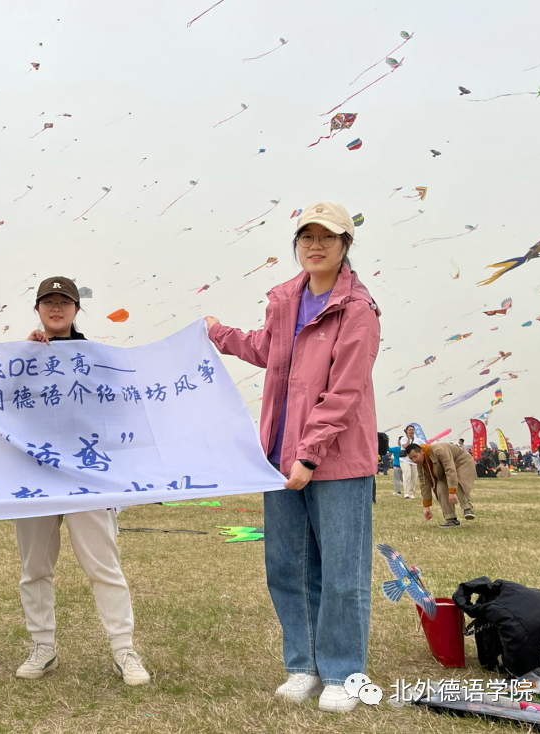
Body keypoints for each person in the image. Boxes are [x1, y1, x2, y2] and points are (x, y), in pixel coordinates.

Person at [206, 202, 380, 713]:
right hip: (279, 457)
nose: (315, 246)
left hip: (335, 461)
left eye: (327, 237)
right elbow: (267, 349)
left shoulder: (358, 310)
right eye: (307, 237)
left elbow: (345, 392)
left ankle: (343, 672)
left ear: (346, 244)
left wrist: (309, 455)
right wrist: (216, 333)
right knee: (287, 566)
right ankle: (303, 665)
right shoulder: (285, 300)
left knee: (342, 571)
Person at [14, 276, 150, 686]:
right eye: (48, 302)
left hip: (87, 475)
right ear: (37, 309)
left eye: (64, 302)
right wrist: (24, 359)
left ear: (76, 309)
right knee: (35, 567)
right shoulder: (20, 358)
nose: (56, 308)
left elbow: (119, 409)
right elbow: (3, 407)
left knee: (103, 566)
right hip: (36, 476)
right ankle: (43, 646)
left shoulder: (96, 357)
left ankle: (124, 649)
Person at [406, 442, 475, 528]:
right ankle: (450, 518)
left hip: (461, 461)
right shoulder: (420, 464)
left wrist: (452, 491)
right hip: (444, 470)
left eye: (415, 456)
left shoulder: (439, 450)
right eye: (411, 458)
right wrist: (426, 506)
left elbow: (450, 469)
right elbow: (424, 484)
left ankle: (467, 508)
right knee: (440, 488)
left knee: (457, 481)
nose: (414, 460)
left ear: (422, 451)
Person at [397, 425, 418, 499]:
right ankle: (406, 493)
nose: (411, 431)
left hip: (414, 461)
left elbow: (424, 445)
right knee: (407, 475)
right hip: (404, 460)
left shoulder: (417, 439)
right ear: (406, 431)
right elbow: (406, 447)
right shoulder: (403, 438)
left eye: (412, 430)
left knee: (414, 477)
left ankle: (411, 493)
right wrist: (408, 439)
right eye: (410, 430)